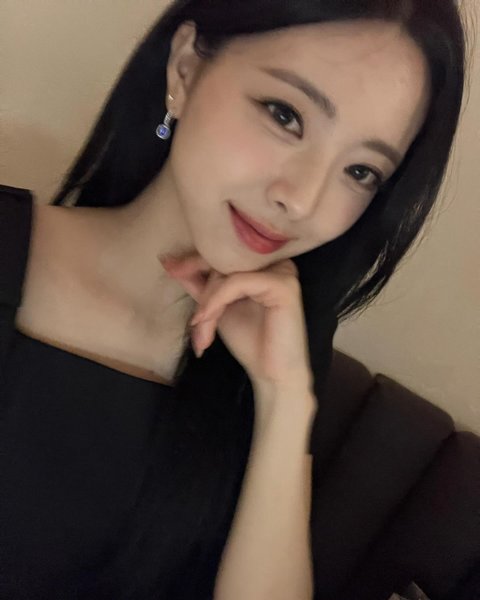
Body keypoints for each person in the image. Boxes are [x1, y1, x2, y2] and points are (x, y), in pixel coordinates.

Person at [0, 1, 467, 598]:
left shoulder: (278, 360)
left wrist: (284, 406)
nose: (302, 200)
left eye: (361, 172)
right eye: (286, 115)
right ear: (186, 68)